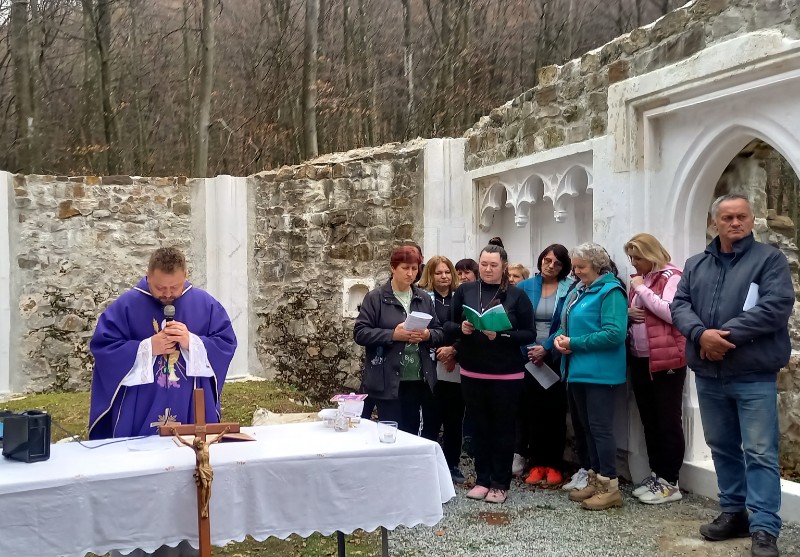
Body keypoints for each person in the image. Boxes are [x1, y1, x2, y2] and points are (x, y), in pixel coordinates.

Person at [671, 194, 794, 557]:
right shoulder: (697, 264)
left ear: (752, 220)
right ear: (715, 222)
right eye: (727, 217)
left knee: (760, 452)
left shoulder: (769, 261)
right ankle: (733, 512)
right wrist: (699, 335)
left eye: (741, 216)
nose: (735, 222)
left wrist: (723, 337)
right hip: (709, 374)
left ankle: (765, 527)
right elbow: (680, 305)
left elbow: (774, 308)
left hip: (752, 373)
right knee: (722, 447)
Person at [89, 247, 237, 440]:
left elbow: (225, 344)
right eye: (160, 288)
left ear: (185, 275)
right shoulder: (126, 306)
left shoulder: (205, 304)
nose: (167, 294)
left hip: (189, 404)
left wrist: (192, 342)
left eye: (174, 287)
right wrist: (148, 347)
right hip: (141, 403)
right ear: (148, 276)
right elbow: (104, 348)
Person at [449, 244, 536, 504]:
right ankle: (482, 478)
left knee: (502, 428)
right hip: (473, 370)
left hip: (505, 373)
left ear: (504, 266)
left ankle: (500, 483)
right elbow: (448, 324)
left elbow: (529, 333)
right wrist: (462, 327)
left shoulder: (517, 296)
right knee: (479, 428)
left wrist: (501, 334)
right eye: (484, 264)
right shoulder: (465, 290)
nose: (487, 269)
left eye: (493, 265)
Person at [554, 242, 627, 511]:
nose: (575, 271)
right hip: (579, 371)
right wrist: (564, 341)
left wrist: (574, 343)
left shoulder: (611, 292)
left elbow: (614, 333)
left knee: (600, 429)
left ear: (597, 265)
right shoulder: (583, 290)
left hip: (600, 372)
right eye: (574, 266)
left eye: (580, 267)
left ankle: (610, 487)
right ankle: (596, 480)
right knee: (586, 429)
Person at [624, 233, 687, 505]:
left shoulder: (671, 276)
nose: (634, 263)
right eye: (631, 258)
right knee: (649, 419)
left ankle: (671, 481)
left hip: (666, 360)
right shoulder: (643, 279)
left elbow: (671, 312)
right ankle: (656, 474)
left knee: (667, 420)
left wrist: (641, 290)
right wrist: (629, 313)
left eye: (637, 257)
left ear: (651, 255)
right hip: (639, 357)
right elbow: (638, 311)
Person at [354, 246, 443, 435]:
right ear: (393, 268)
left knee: (410, 433)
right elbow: (360, 333)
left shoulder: (423, 298)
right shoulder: (375, 298)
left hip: (418, 379)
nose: (411, 273)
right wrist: (392, 335)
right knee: (389, 433)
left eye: (414, 268)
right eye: (405, 268)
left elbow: (439, 332)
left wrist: (427, 335)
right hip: (388, 378)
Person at [515, 244, 574, 488]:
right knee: (532, 410)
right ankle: (537, 463)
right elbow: (515, 318)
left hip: (555, 355)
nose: (550, 265)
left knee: (555, 412)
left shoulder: (569, 288)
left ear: (564, 267)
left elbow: (567, 321)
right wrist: (531, 349)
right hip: (527, 355)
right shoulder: (524, 287)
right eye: (546, 260)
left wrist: (546, 347)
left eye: (557, 263)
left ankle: (554, 464)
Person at [418, 255, 465, 484]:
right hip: (431, 363)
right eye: (439, 273)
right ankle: (428, 465)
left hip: (456, 363)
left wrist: (453, 351)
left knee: (454, 420)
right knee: (431, 418)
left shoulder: (461, 298)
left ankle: (452, 464)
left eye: (447, 272)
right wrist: (441, 352)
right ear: (430, 275)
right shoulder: (424, 299)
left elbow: (467, 329)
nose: (444, 276)